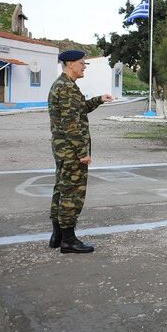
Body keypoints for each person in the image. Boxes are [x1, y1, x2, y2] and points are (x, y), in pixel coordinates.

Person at [48, 50, 113, 253]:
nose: (84, 66)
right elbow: (71, 125)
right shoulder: (65, 88)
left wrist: (99, 99)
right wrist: (82, 151)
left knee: (61, 189)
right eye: (82, 63)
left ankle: (57, 235)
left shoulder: (66, 86)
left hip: (64, 149)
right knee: (72, 193)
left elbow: (80, 109)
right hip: (71, 151)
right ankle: (68, 240)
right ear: (70, 64)